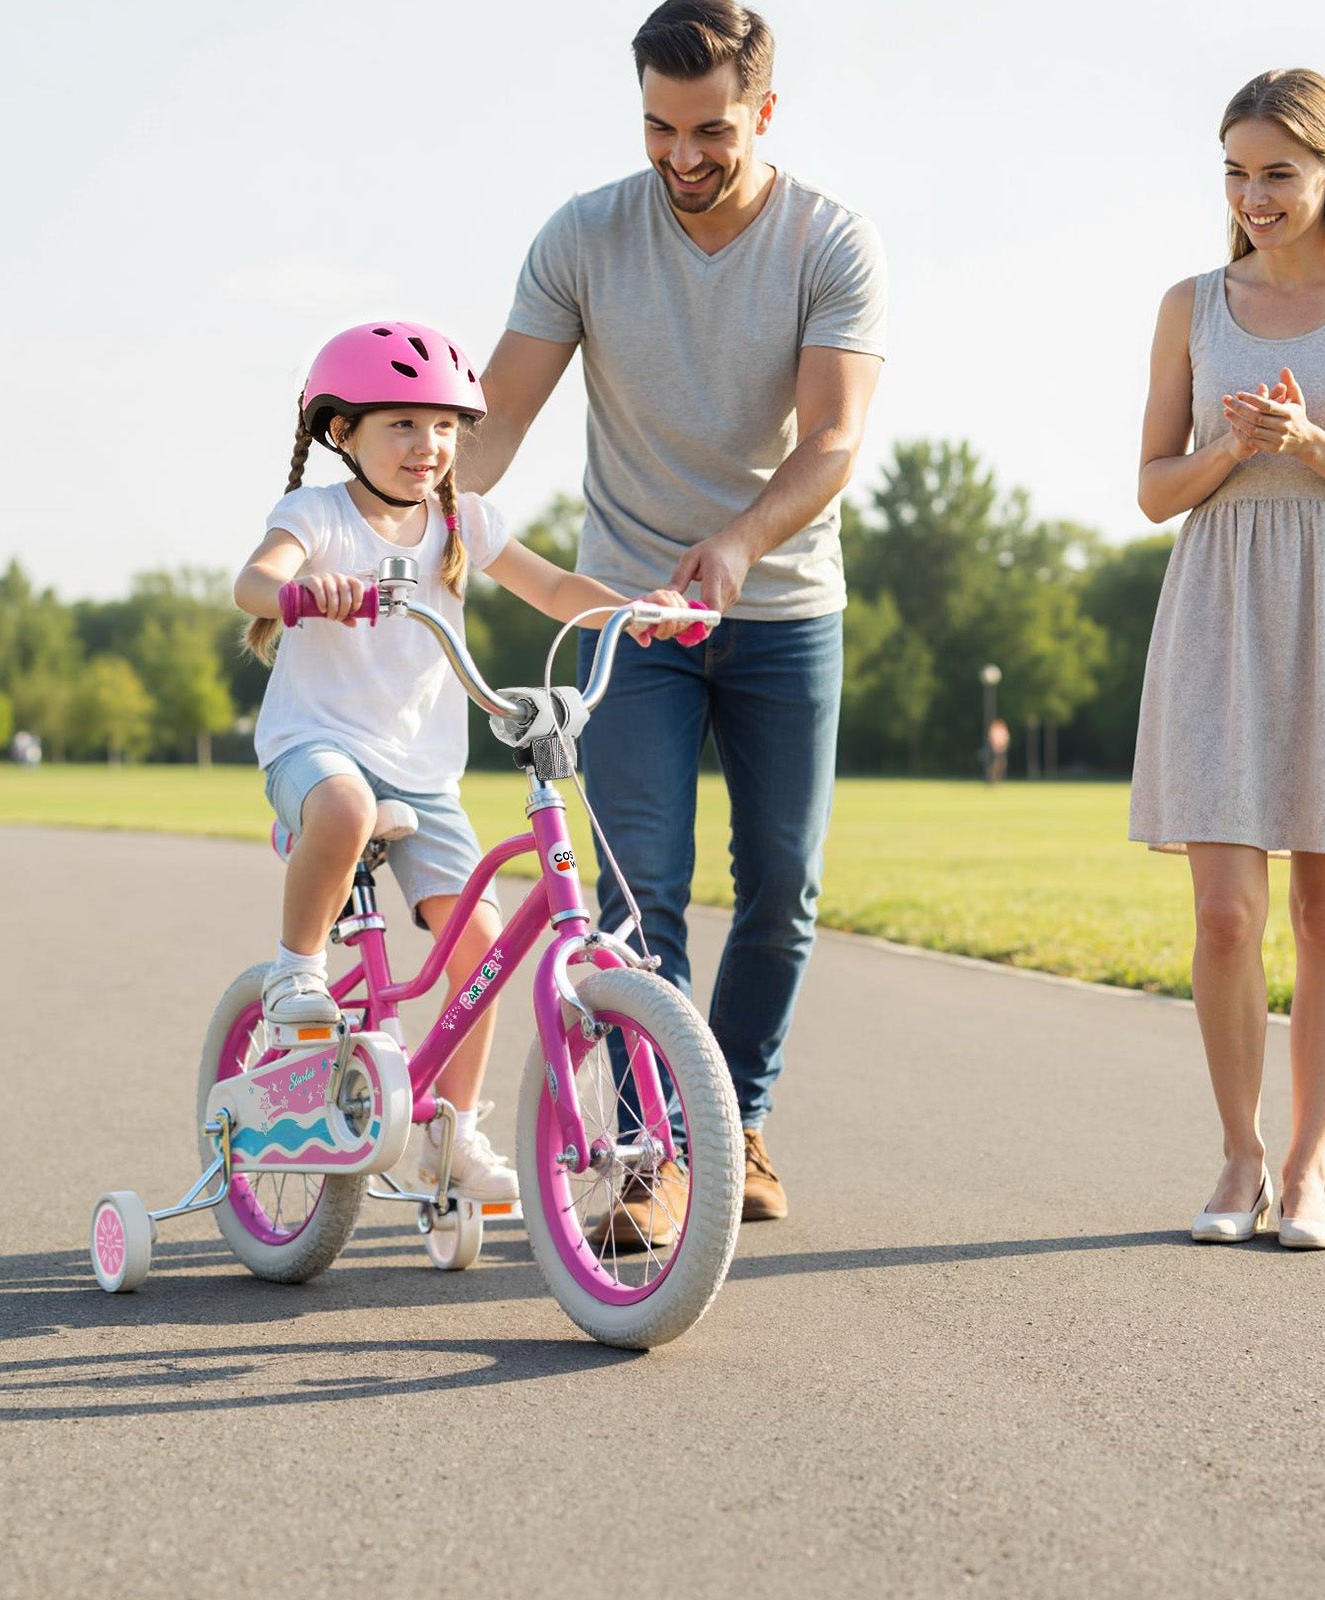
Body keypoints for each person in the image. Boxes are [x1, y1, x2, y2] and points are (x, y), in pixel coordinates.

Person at [461, 1, 885, 1240]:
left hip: (782, 605)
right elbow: (494, 423)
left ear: (763, 112)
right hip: (624, 613)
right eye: (658, 127)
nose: (682, 157)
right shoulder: (584, 238)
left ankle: (730, 1119)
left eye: (710, 130)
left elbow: (834, 437)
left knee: (781, 892)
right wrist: (413, 520)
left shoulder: (828, 241)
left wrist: (744, 539)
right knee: (638, 892)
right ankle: (652, 1146)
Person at [234, 320, 695, 1204]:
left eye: (445, 425)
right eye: (402, 423)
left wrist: (632, 611)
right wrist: (305, 591)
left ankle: (452, 1130)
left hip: (423, 771)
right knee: (343, 810)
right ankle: (298, 971)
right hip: (315, 748)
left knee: (480, 941)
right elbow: (253, 582)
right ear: (343, 432)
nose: (428, 445)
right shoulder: (318, 516)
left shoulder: (463, 521)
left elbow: (556, 591)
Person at [1130, 68, 1325, 1249]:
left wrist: (1309, 444)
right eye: (1236, 173)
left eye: (1279, 173)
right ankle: (1239, 1151)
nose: (1253, 196)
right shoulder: (1187, 304)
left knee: (1321, 905)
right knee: (1222, 910)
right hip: (1217, 605)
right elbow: (1150, 488)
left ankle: (1308, 1161)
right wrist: (1230, 450)